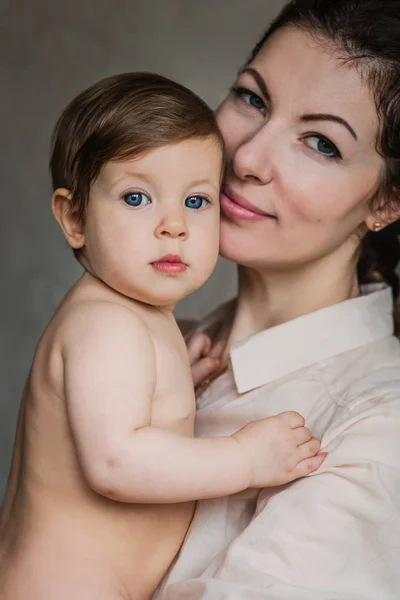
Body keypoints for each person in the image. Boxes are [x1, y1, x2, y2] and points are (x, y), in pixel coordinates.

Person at [0, 72, 324, 600]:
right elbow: (115, 462)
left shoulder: (129, 314)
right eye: (136, 198)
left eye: (196, 202)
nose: (172, 225)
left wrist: (173, 378)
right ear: (75, 217)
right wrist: (244, 459)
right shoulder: (106, 324)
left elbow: (117, 406)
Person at [156, 1, 400, 598]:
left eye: (320, 143)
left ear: (385, 204)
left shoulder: (377, 429)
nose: (245, 158)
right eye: (253, 99)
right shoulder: (167, 343)